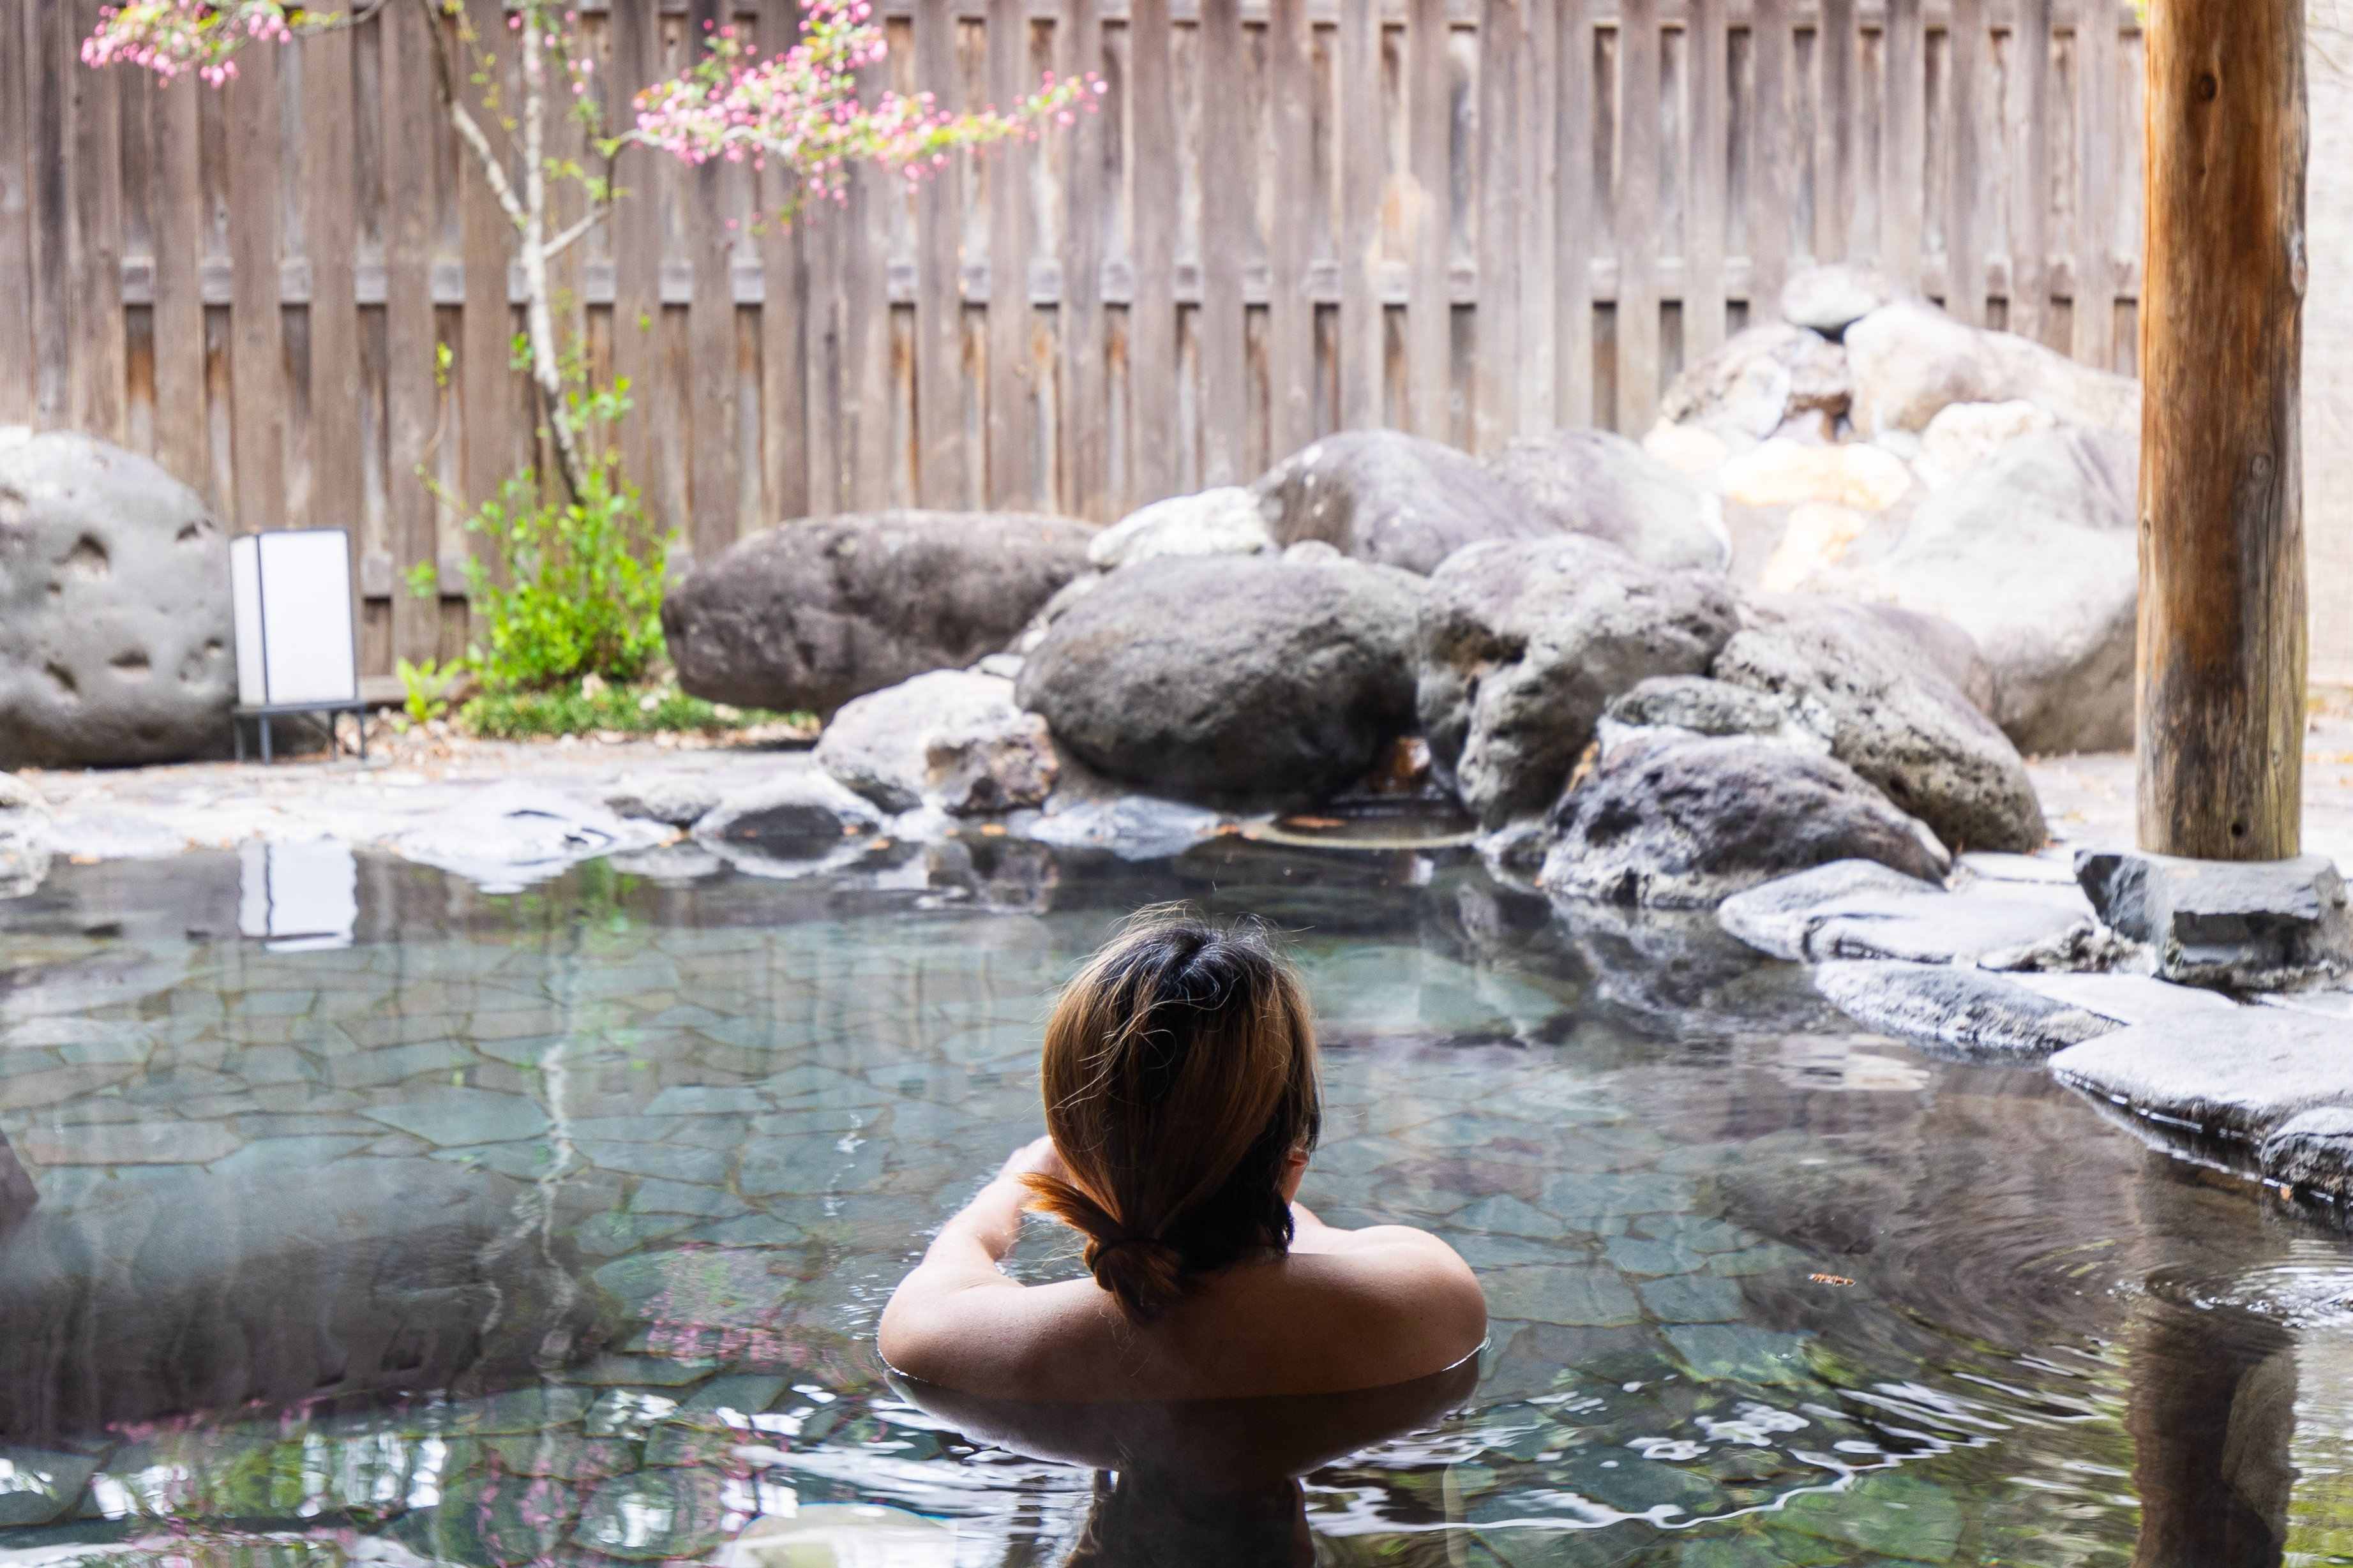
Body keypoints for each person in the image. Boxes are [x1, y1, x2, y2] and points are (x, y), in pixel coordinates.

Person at [878, 907, 1487, 1403]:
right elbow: (1317, 1242)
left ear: (1074, 1166)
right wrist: (1266, 1203)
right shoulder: (1431, 1302)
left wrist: (1012, 1185)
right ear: (1291, 1161)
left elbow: (956, 1257)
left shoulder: (945, 1341)